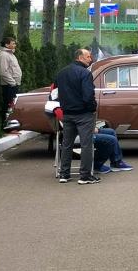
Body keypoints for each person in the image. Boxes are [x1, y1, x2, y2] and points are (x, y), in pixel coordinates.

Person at [56, 49, 100, 185]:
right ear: (80, 57)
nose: (90, 59)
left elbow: (56, 92)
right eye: (88, 57)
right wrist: (92, 108)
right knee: (86, 145)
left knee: (67, 144)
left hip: (67, 114)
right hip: (83, 114)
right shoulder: (85, 73)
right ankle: (85, 176)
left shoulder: (61, 73)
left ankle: (64, 174)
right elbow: (88, 95)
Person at [0, 36, 22, 127]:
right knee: (8, 105)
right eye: (13, 43)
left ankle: (11, 125)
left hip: (13, 84)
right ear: (7, 44)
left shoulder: (10, 54)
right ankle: (5, 125)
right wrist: (13, 83)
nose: (15, 44)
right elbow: (4, 71)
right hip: (9, 85)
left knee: (12, 106)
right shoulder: (3, 55)